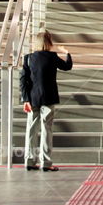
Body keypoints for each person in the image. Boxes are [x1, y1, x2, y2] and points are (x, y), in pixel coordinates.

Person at [19, 30, 72, 172]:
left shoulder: (28, 58)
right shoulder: (52, 57)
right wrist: (66, 52)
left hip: (32, 98)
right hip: (49, 97)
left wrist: (25, 99)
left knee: (31, 130)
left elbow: (23, 80)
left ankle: (29, 161)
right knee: (46, 130)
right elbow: (67, 66)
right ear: (49, 42)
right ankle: (46, 163)